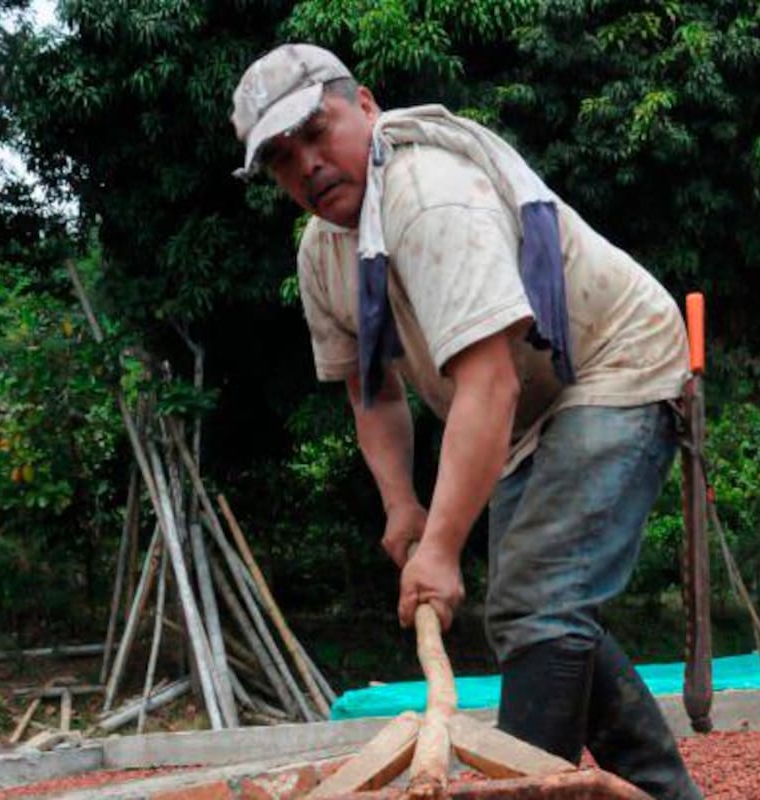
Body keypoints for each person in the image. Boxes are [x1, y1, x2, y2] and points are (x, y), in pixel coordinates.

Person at [230, 43, 704, 800]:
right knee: (539, 610)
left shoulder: (429, 196)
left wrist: (443, 550)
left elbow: (487, 383)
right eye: (283, 158)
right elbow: (371, 390)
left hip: (619, 363)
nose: (307, 165)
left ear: (367, 106)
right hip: (525, 408)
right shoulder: (323, 255)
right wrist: (402, 506)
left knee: (535, 602)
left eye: (318, 133)